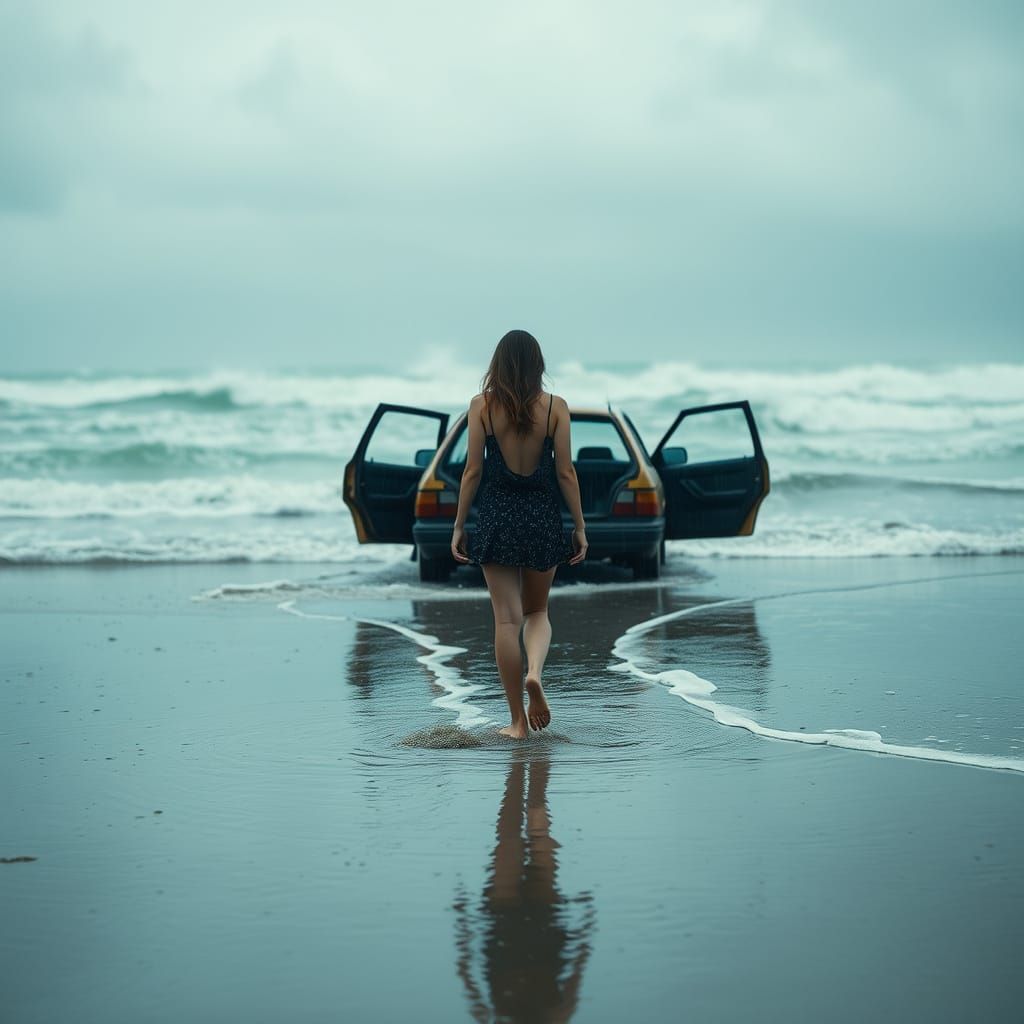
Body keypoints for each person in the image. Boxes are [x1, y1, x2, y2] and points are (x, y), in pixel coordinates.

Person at [450, 330, 588, 739]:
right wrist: (580, 526)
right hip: (543, 518)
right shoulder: (555, 409)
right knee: (538, 612)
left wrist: (459, 524)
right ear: (537, 364)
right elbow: (565, 471)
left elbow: (472, 470)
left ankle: (516, 722)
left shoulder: (482, 407)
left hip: (496, 519)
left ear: (498, 363)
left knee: (506, 622)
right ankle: (535, 673)